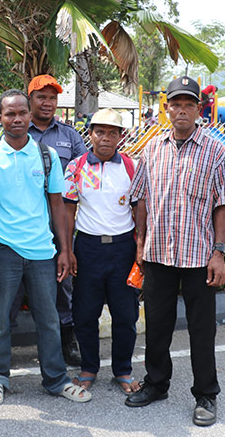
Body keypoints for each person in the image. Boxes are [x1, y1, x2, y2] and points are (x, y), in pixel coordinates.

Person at [125, 76, 225, 427]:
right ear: (167, 108)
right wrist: (141, 242)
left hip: (199, 256)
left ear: (198, 110)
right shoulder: (152, 149)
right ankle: (157, 384)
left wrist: (219, 252)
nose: (182, 110)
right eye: (177, 104)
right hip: (158, 254)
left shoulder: (216, 151)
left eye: (189, 104)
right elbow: (140, 197)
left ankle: (206, 394)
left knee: (202, 330)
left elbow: (223, 205)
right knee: (157, 325)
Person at [0, 89, 91, 406]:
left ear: (29, 114)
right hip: (3, 250)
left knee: (49, 318)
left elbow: (57, 206)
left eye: (22, 112)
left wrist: (64, 250)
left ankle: (56, 379)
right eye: (10, 114)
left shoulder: (47, 156)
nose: (17, 119)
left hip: (42, 252)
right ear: (0, 118)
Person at [63, 108, 140, 396]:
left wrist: (140, 249)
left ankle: (122, 369)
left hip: (123, 249)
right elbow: (68, 210)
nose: (105, 138)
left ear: (121, 136)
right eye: (100, 131)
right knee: (84, 313)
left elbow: (139, 210)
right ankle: (89, 368)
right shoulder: (76, 167)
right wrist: (67, 250)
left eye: (112, 132)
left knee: (125, 314)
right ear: (90, 134)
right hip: (88, 249)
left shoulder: (132, 167)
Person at [26, 74, 86, 365]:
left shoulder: (70, 136)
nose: (47, 103)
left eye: (52, 98)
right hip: (26, 221)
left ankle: (67, 340)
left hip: (61, 220)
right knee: (20, 282)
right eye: (41, 97)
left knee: (64, 280)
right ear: (30, 100)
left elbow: (84, 172)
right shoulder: (16, 132)